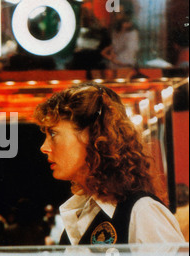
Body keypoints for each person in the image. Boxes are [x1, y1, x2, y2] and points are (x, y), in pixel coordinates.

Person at [34, 82, 185, 246]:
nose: (44, 147)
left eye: (54, 133)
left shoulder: (142, 212)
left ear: (92, 135)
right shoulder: (84, 211)